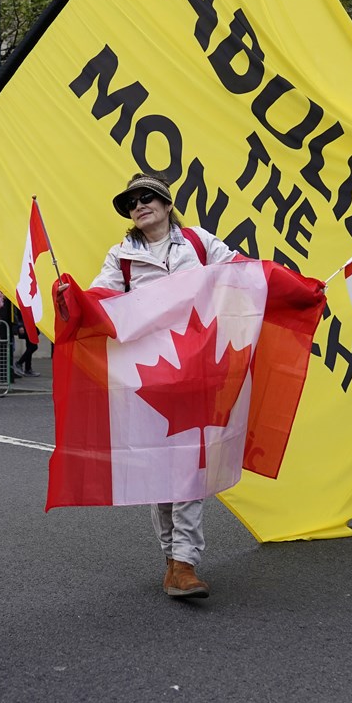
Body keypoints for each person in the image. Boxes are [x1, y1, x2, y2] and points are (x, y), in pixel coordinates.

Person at [74, 172, 241, 599]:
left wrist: (290, 286)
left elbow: (243, 273)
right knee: (159, 469)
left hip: (197, 370)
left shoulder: (200, 243)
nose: (140, 204)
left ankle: (185, 562)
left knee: (188, 467)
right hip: (146, 377)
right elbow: (100, 300)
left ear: (167, 205)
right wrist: (71, 299)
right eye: (132, 202)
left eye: (149, 197)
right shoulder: (122, 256)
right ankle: (171, 558)